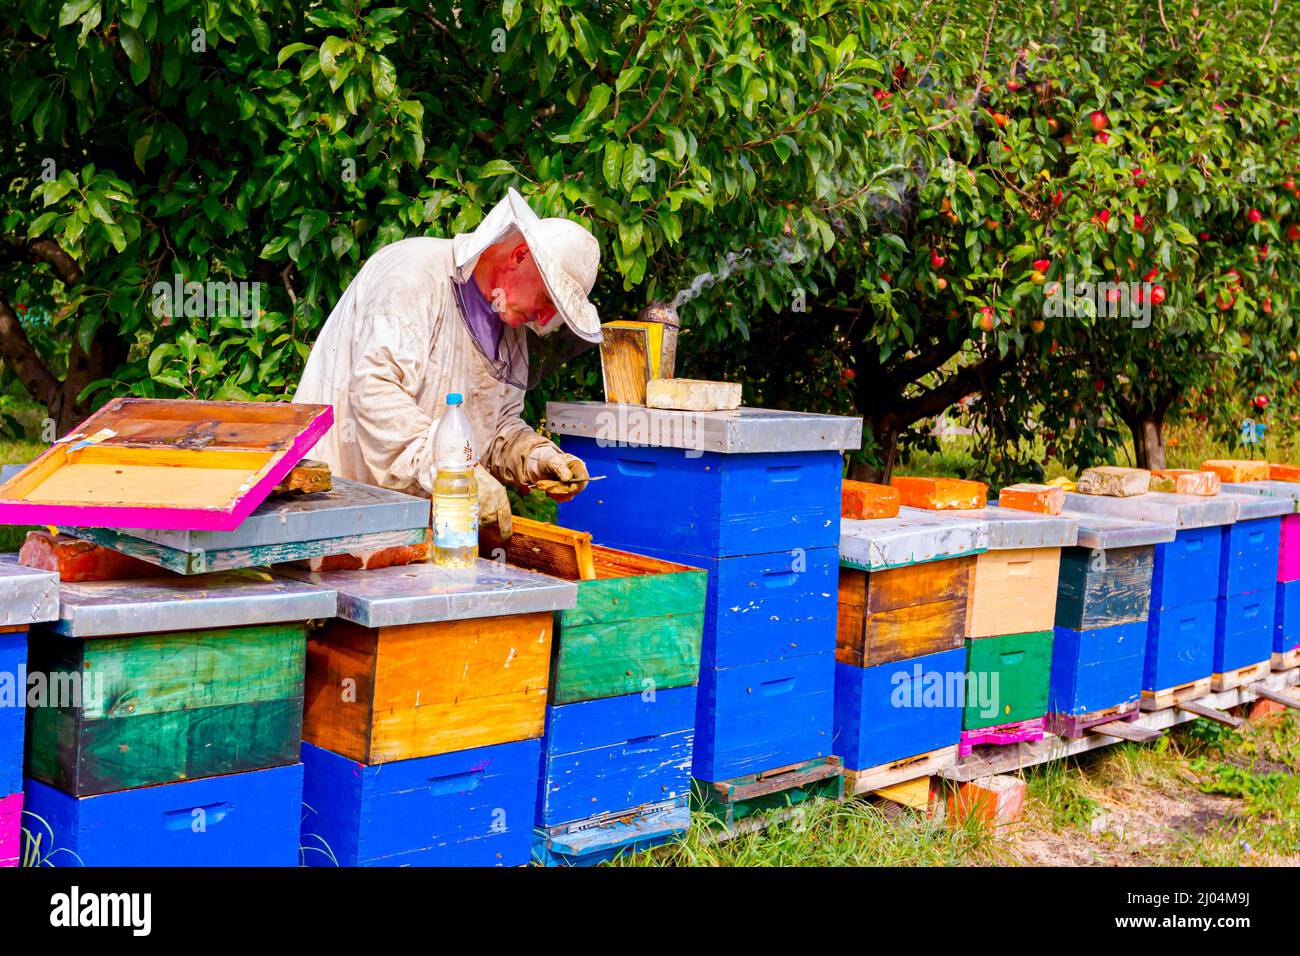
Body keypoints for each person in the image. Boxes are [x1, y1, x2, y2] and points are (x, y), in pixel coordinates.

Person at [294, 188, 601, 537]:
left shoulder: (509, 325)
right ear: (519, 255)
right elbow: (375, 391)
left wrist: (537, 457)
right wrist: (456, 472)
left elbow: (495, 427)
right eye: (547, 299)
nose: (544, 318)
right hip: (334, 512)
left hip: (415, 534)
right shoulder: (414, 274)